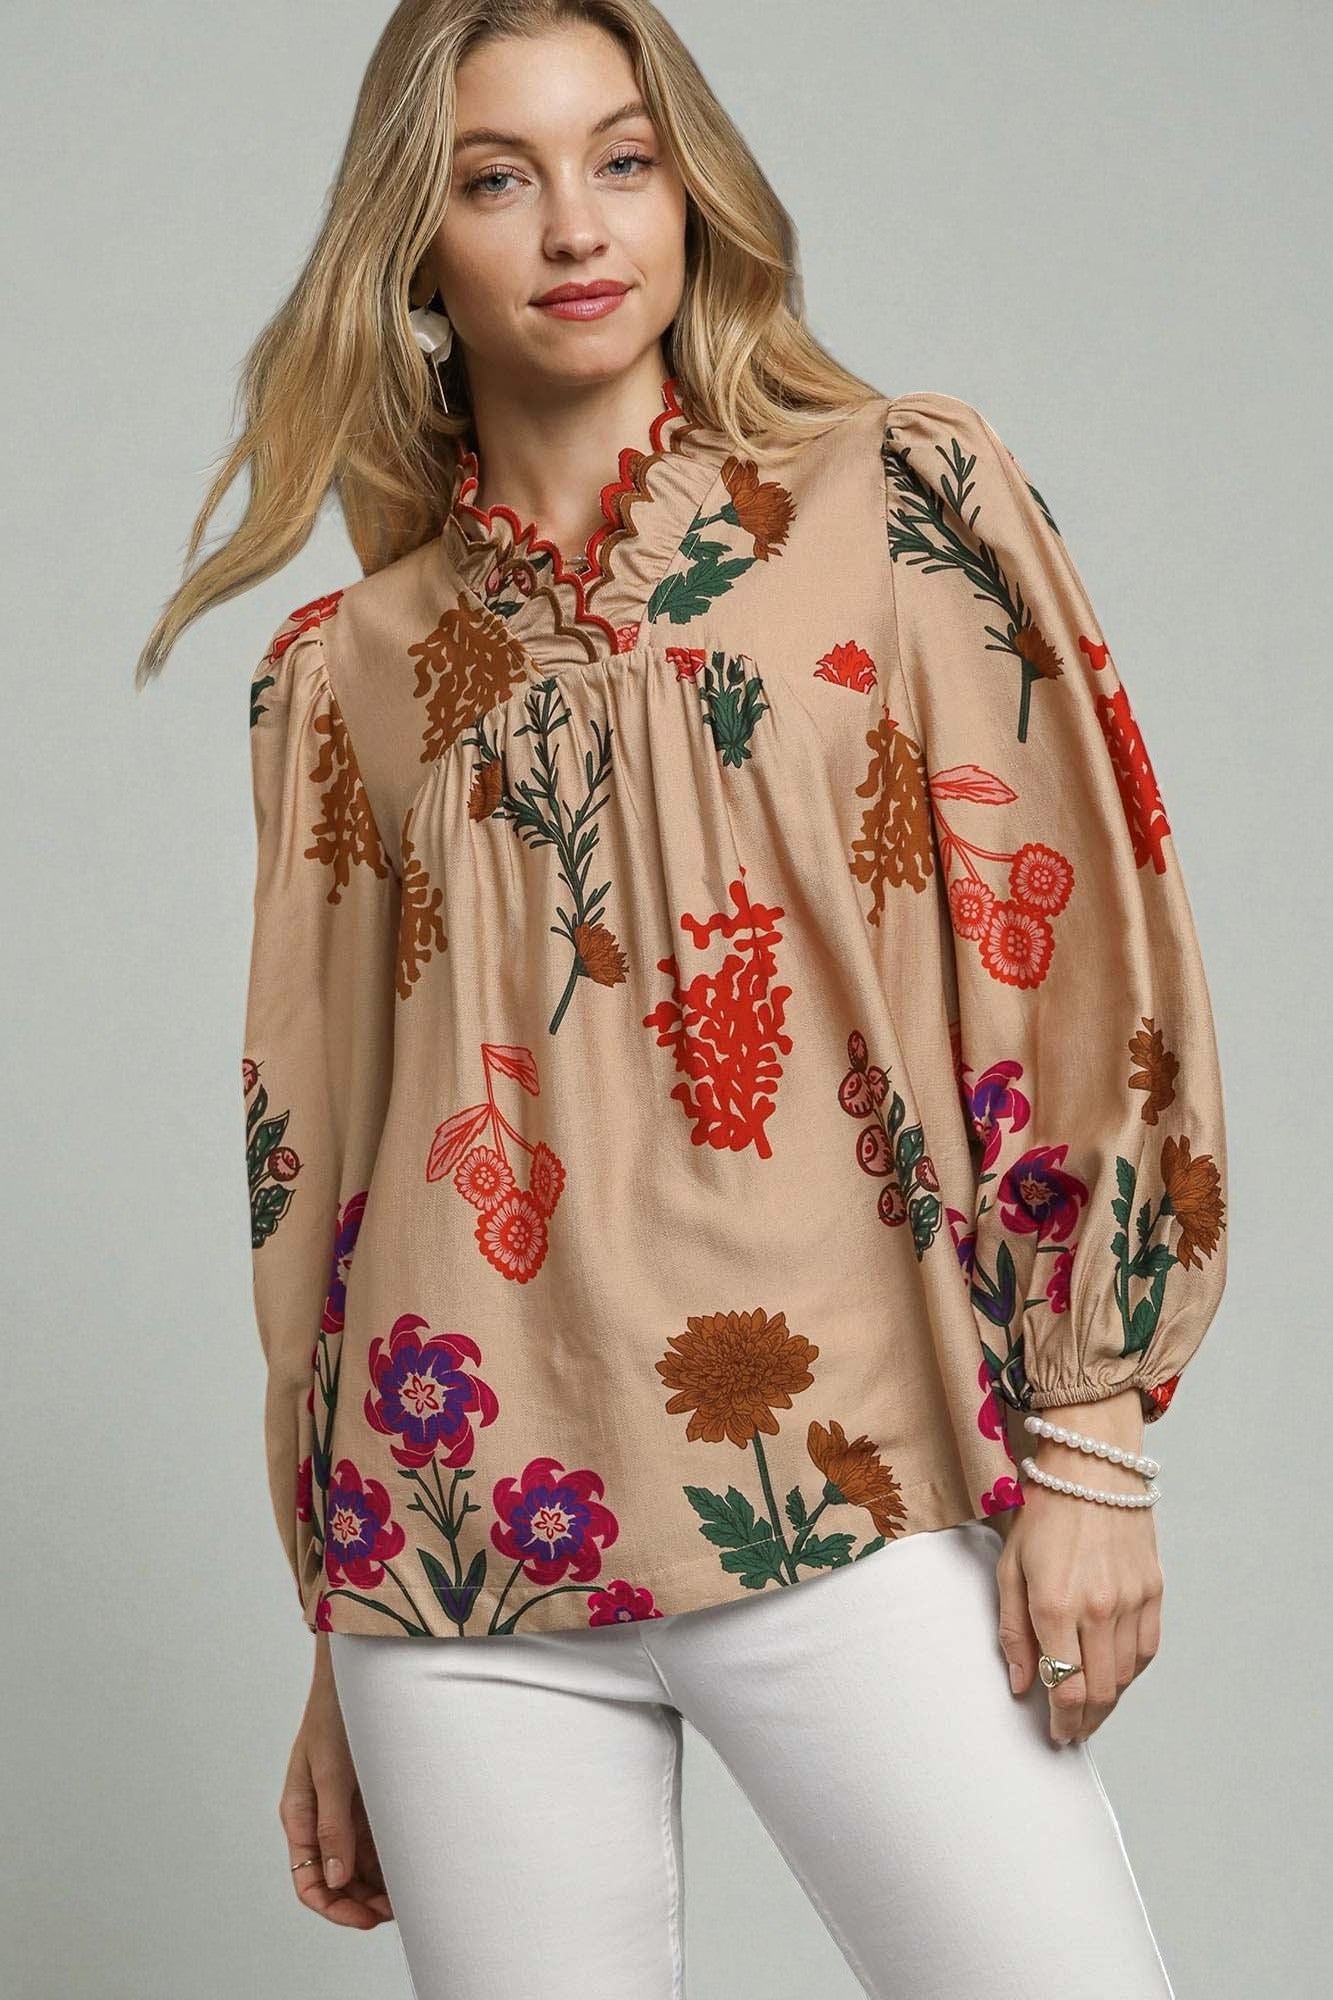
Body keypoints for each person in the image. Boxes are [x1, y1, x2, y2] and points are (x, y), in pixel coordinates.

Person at [137, 4, 1229, 1995]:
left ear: (689, 192)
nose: (575, 225)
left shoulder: (891, 508)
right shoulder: (345, 671)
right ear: (417, 245)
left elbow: (1066, 970)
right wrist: (342, 1614)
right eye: (498, 175)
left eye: (621, 159)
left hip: (846, 1480)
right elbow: (326, 1166)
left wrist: (1089, 1437)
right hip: (456, 1551)